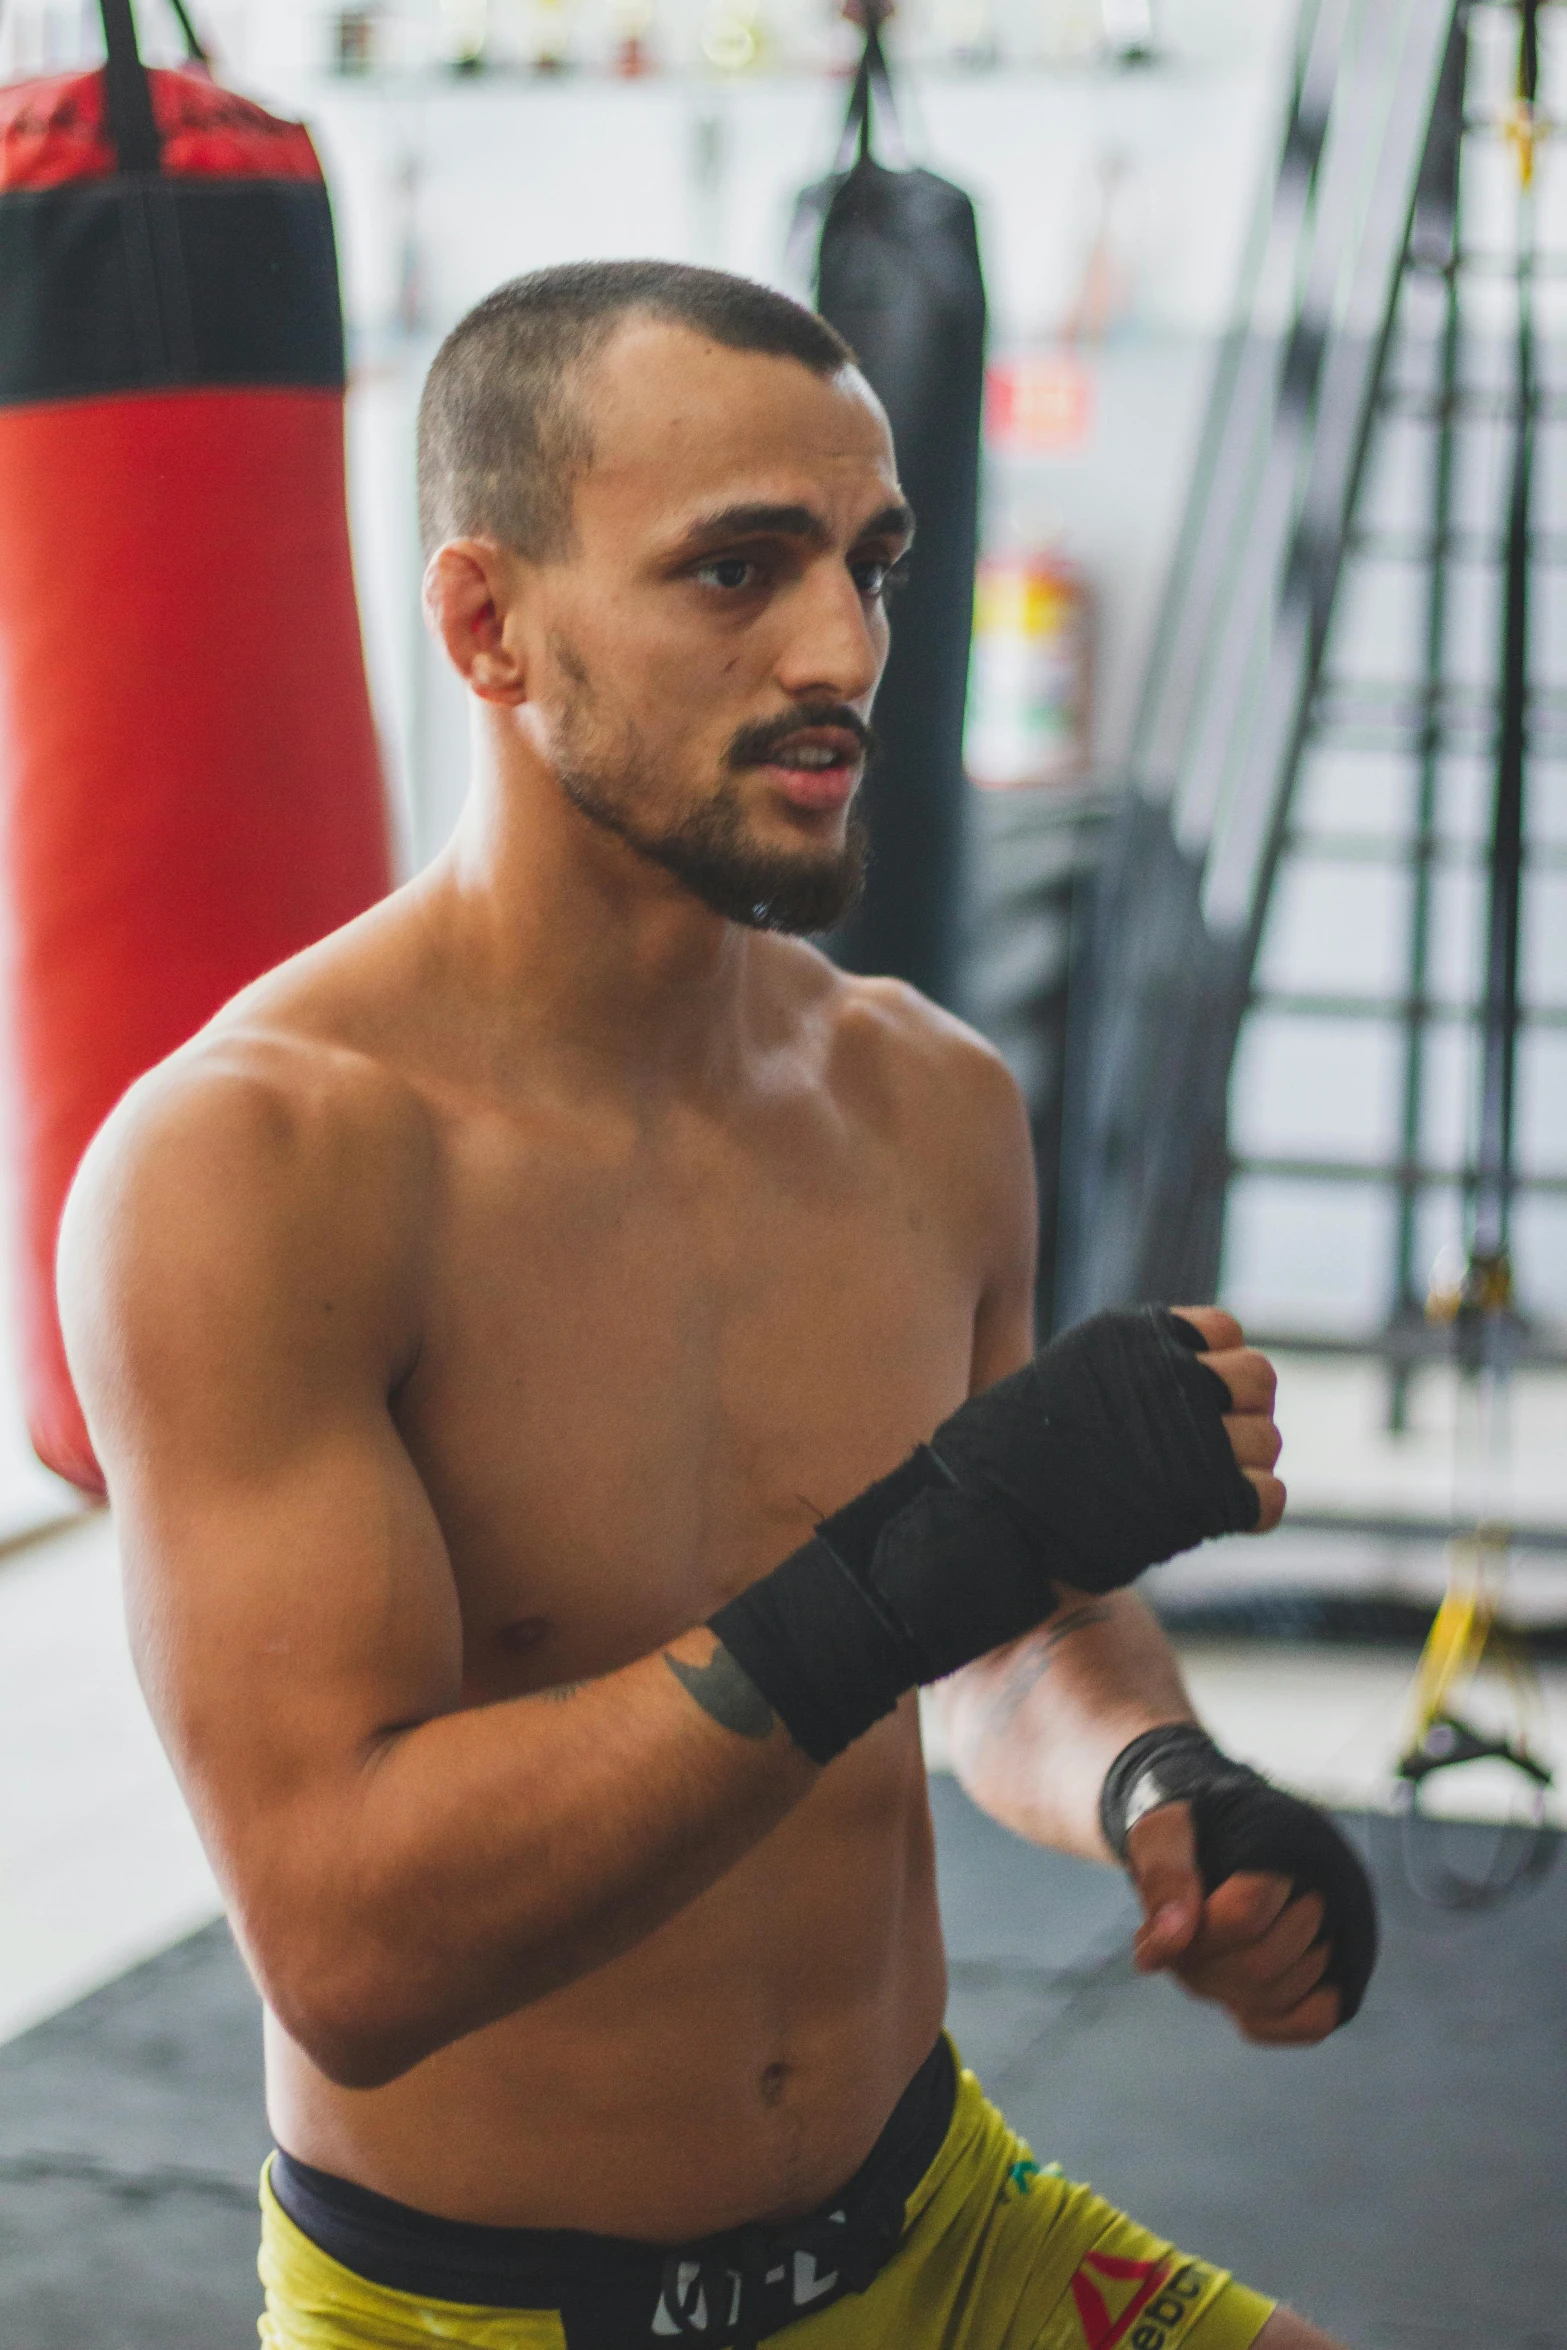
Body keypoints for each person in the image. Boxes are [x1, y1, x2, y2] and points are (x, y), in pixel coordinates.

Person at [58, 261, 1372, 2350]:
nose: (844, 646)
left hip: (937, 2220)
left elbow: (1011, 1628)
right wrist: (924, 1553)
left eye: (872, 563)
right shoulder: (263, 1165)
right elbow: (350, 1943)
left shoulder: (929, 1103)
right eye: (737, 569)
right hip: (477, 2315)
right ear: (491, 625)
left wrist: (1157, 1781)